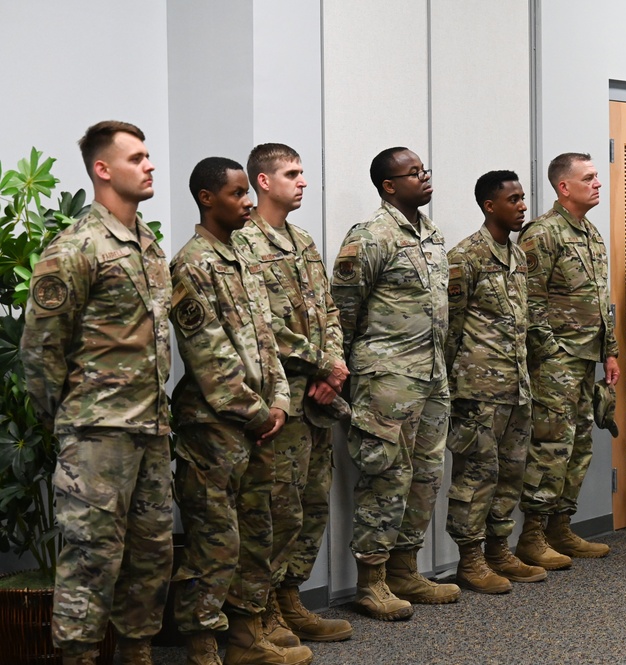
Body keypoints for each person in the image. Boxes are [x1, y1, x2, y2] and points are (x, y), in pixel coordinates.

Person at [21, 121, 173, 665]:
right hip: (96, 435)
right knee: (91, 562)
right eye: (137, 157)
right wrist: (71, 423)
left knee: (151, 559)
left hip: (151, 430)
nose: (150, 164)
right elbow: (40, 352)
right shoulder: (75, 248)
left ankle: (136, 655)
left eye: (149, 155)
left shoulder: (147, 244)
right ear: (103, 170)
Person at [170, 158, 313, 665]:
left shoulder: (244, 257)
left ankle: (248, 635)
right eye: (236, 194)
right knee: (215, 541)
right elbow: (208, 356)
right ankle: (203, 645)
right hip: (215, 428)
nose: (248, 201)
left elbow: (268, 342)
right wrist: (255, 411)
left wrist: (278, 401)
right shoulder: (191, 264)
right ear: (208, 199)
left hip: (262, 422)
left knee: (259, 531)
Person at [330, 147, 458, 619]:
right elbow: (342, 313)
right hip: (387, 378)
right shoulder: (370, 237)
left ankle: (406, 570)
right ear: (389, 186)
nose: (424, 178)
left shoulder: (431, 235)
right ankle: (372, 582)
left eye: (425, 169)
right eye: (413, 173)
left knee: (425, 477)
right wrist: (345, 373)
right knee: (385, 477)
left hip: (431, 375)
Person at [232, 144, 353, 643]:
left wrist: (334, 367)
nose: (303, 181)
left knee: (311, 505)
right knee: (274, 510)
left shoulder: (301, 239)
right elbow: (262, 325)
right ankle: (258, 612)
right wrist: (323, 363)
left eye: (303, 173)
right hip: (276, 399)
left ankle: (289, 599)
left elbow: (328, 311)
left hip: (318, 397)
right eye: (292, 173)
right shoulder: (244, 242)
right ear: (263, 181)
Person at [515, 152, 619, 568]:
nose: (598, 183)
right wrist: (550, 351)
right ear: (564, 187)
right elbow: (529, 301)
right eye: (590, 177)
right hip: (556, 361)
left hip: (586, 356)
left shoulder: (590, 233)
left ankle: (561, 527)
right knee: (550, 447)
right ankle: (532, 535)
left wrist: (609, 351)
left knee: (578, 445)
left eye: (597, 177)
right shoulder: (543, 234)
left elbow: (600, 300)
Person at [444, 170, 546, 592]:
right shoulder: (465, 257)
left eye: (523, 198)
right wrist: (451, 389)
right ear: (490, 206)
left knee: (511, 471)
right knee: (476, 474)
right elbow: (449, 326)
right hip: (478, 390)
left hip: (516, 385)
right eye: (514, 199)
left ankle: (498, 549)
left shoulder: (518, 256)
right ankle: (470, 559)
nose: (523, 205)